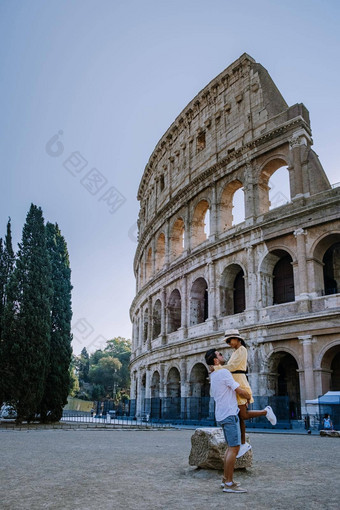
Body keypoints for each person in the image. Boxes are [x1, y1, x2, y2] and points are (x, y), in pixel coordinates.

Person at [212, 329, 277, 457]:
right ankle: (242, 443)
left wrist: (218, 368)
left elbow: (233, 367)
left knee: (244, 415)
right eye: (227, 341)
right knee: (240, 417)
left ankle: (265, 411)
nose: (229, 343)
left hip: (239, 382)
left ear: (237, 339)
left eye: (230, 340)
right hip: (235, 381)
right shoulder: (236, 351)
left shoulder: (242, 350)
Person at [205, 348, 251, 494]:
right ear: (215, 360)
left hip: (221, 414)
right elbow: (238, 390)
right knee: (234, 448)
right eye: (219, 354)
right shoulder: (223, 372)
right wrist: (248, 395)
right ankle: (229, 483)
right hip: (229, 414)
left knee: (230, 448)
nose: (222, 355)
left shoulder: (213, 375)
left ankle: (226, 479)